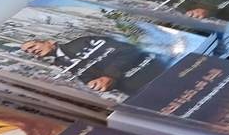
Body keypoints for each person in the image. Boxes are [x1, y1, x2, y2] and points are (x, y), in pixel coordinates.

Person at [20, 35, 166, 96]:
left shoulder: (82, 42)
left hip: (156, 72)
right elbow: (88, 78)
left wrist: (109, 75)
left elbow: (127, 50)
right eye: (28, 52)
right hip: (137, 91)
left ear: (50, 42)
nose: (32, 51)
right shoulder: (60, 63)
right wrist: (94, 84)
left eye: (33, 46)